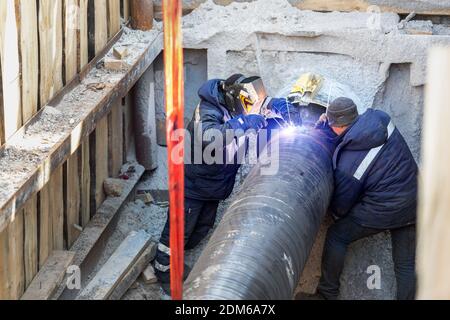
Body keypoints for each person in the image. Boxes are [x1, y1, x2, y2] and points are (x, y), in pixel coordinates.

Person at [154, 74, 298, 296]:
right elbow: (211, 137)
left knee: (201, 228)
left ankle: (180, 259)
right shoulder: (208, 111)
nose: (252, 110)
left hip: (215, 185)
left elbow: (258, 105)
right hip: (193, 185)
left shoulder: (240, 101)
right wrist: (243, 122)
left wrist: (277, 105)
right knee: (177, 233)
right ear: (233, 99)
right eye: (248, 108)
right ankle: (165, 273)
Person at [312, 97, 418, 300]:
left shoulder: (350, 164)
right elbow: (355, 137)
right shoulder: (381, 118)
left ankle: (326, 295)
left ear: (334, 124)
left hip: (385, 207)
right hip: (415, 198)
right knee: (405, 265)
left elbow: (340, 208)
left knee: (337, 236)